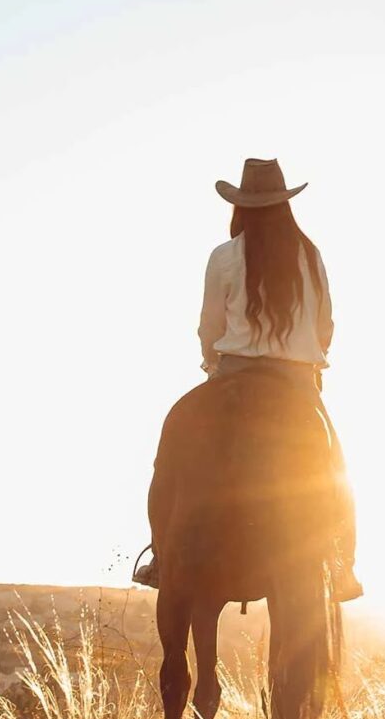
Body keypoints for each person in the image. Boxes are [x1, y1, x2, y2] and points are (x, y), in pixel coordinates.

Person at [140, 157, 362, 599]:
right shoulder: (310, 256)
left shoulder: (223, 256)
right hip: (297, 380)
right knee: (336, 470)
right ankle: (341, 565)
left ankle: (162, 558)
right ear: (285, 206)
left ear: (240, 207)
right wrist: (313, 363)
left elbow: (210, 327)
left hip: (232, 374)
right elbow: (325, 325)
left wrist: (212, 366)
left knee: (169, 462)